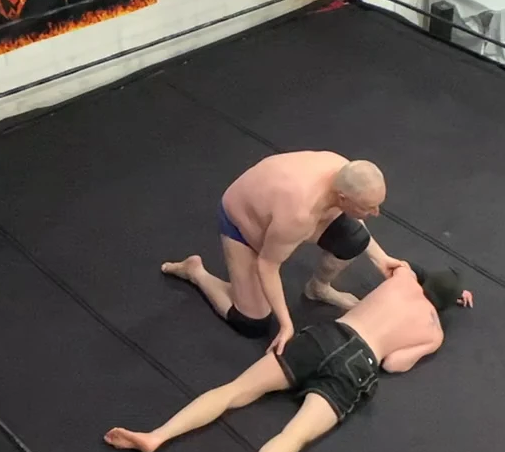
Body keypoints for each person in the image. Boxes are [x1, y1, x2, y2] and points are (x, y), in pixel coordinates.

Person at [107, 265, 474, 452]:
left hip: (330, 335)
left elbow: (409, 267)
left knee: (235, 391)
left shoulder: (404, 277)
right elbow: (393, 364)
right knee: (294, 435)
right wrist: (442, 311)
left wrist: (440, 285)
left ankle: (156, 435)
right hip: (359, 364)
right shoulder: (434, 332)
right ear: (448, 304)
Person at [164, 152, 406, 355]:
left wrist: (381, 258)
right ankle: (196, 272)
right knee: (251, 322)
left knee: (354, 239)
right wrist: (286, 324)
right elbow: (267, 265)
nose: (376, 213)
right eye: (368, 208)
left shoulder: (343, 170)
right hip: (243, 221)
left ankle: (318, 288)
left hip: (279, 204)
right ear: (343, 198)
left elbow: (348, 214)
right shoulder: (299, 215)